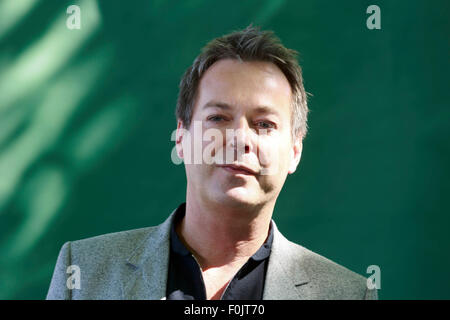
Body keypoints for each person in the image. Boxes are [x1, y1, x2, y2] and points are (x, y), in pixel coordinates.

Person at [46, 25, 378, 300]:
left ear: (294, 151)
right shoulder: (83, 275)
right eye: (218, 117)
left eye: (264, 124)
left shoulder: (349, 294)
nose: (240, 139)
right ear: (181, 138)